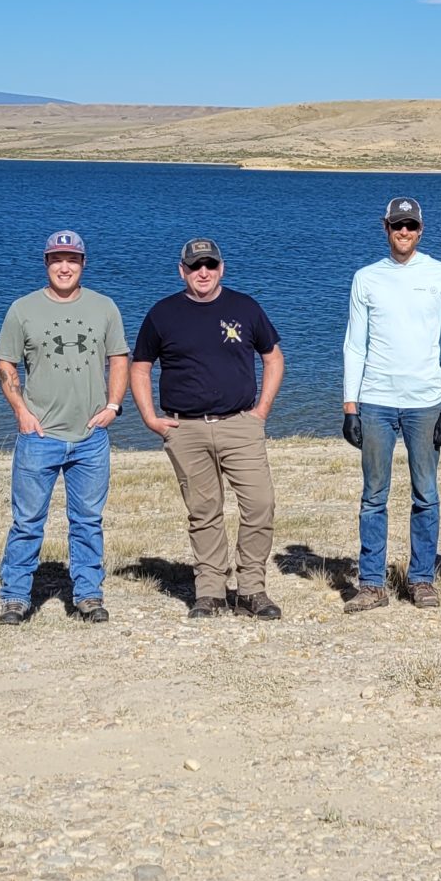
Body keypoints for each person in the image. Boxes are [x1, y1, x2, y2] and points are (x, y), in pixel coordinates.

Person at [130, 238, 284, 621]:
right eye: (195, 266)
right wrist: (150, 418)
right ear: (181, 270)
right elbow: (139, 366)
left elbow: (273, 357)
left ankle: (251, 589)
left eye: (210, 265)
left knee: (260, 505)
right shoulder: (162, 314)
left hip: (240, 424)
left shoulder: (244, 307)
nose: (203, 273)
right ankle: (211, 592)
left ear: (221, 268)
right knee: (204, 511)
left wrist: (261, 410)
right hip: (186, 429)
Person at [340, 195, 441, 611]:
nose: (404, 233)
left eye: (410, 226)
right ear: (386, 228)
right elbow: (354, 345)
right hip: (375, 400)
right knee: (373, 495)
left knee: (425, 494)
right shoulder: (366, 278)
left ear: (421, 229)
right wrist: (350, 406)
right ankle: (372, 583)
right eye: (397, 226)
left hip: (426, 402)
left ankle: (421, 579)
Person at [0, 231, 130, 625]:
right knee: (27, 521)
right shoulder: (23, 309)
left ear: (83, 263)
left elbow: (119, 358)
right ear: (46, 263)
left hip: (90, 436)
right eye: (57, 259)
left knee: (88, 520)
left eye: (72, 259)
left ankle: (88, 595)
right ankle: (16, 597)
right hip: (39, 435)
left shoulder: (104, 307)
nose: (64, 266)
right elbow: (6, 365)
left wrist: (113, 406)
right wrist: (20, 410)